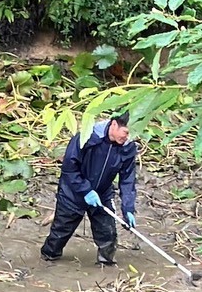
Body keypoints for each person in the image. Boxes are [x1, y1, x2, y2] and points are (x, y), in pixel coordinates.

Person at [41, 113, 138, 268]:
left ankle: (106, 265)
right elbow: (69, 168)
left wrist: (128, 208)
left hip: (102, 195)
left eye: (131, 134)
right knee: (60, 233)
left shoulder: (127, 148)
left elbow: (127, 179)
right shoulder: (87, 137)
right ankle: (48, 257)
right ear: (114, 125)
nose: (127, 137)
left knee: (108, 234)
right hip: (73, 193)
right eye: (125, 132)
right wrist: (85, 190)